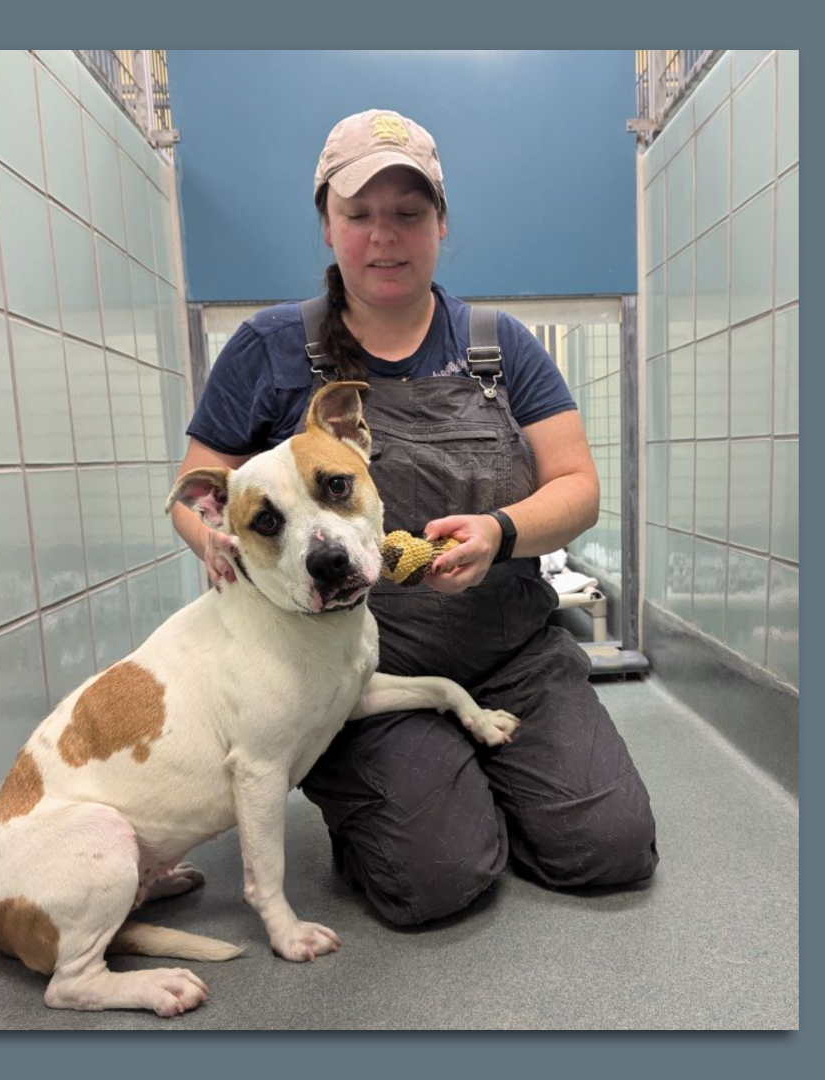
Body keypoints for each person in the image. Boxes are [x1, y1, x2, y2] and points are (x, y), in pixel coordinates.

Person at [169, 109, 656, 928]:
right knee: (435, 882)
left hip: (510, 652)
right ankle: (428, 791)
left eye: (408, 214)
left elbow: (578, 486)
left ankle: (483, 778)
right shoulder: (268, 350)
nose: (384, 238)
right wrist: (214, 539)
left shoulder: (502, 348)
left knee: (610, 848)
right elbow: (196, 487)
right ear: (326, 225)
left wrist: (501, 530)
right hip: (355, 669)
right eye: (358, 215)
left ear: (440, 224)